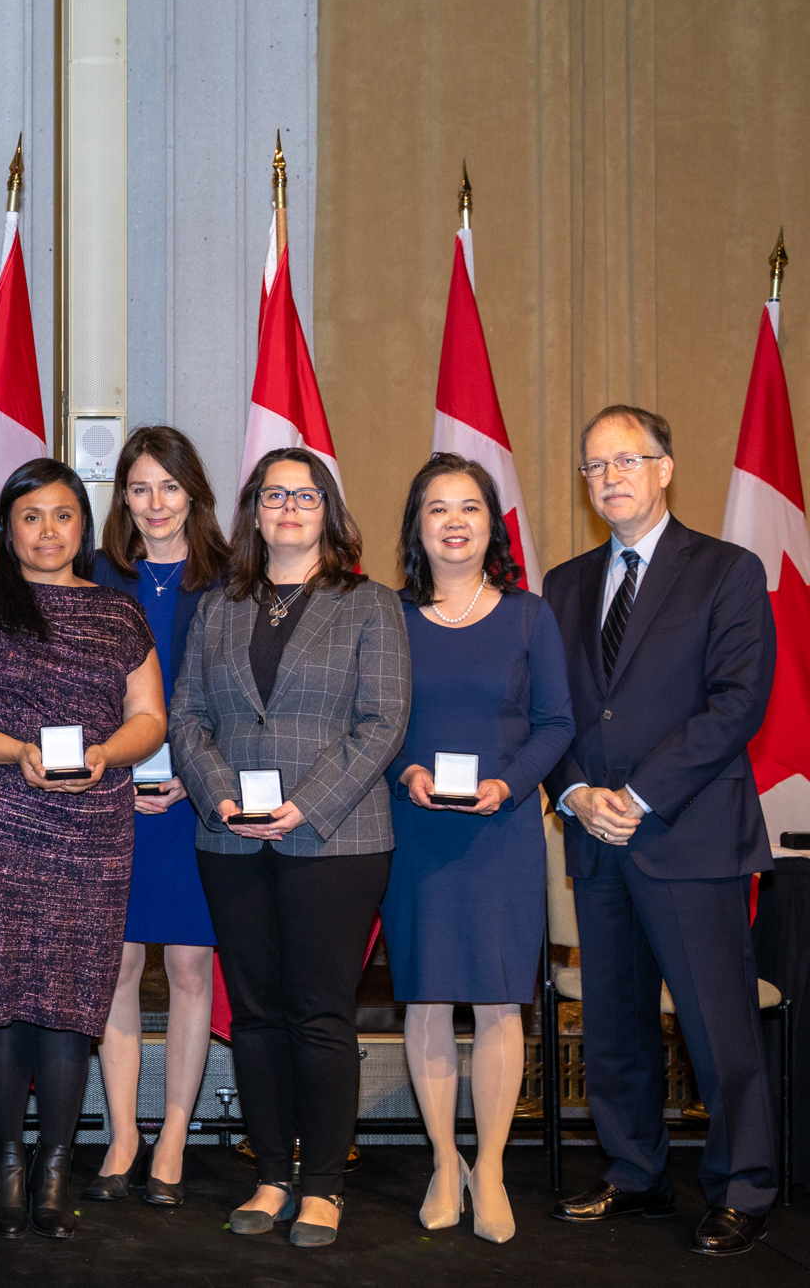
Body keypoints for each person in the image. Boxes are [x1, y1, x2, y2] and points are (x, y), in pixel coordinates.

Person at [542, 406, 778, 1256]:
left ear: (665, 468)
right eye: (595, 465)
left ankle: (743, 1185)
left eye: (627, 460)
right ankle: (636, 1170)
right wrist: (575, 793)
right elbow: (551, 711)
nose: (610, 477)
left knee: (717, 1024)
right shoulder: (564, 585)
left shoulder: (727, 570)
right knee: (614, 1024)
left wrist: (638, 794)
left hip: (689, 834)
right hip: (596, 837)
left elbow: (737, 703)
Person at [167, 447, 410, 1248]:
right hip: (231, 836)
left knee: (319, 1012)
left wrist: (306, 804)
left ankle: (324, 1184)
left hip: (336, 839)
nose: (290, 508)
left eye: (306, 495)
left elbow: (383, 722)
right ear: (254, 513)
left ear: (328, 510)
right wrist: (218, 794)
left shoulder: (370, 604)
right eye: (275, 496)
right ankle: (271, 1174)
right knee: (257, 1013)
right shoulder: (219, 606)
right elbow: (186, 717)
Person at [0, 458, 165, 1241]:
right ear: (8, 528)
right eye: (31, 516)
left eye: (63, 515)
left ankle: (55, 1165)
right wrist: (15, 750)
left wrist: (108, 754)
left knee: (72, 998)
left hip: (94, 827)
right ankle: (8, 1161)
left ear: (83, 526)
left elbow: (151, 717)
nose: (48, 530)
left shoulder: (120, 614)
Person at [381, 453, 574, 1244]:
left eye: (469, 506)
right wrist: (404, 769)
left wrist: (511, 783)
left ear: (492, 524)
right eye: (437, 507)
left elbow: (557, 722)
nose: (454, 521)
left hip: (502, 831)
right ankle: (442, 1159)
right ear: (417, 527)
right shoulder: (386, 616)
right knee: (426, 998)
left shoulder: (530, 616)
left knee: (498, 1000)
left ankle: (489, 1165)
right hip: (417, 833)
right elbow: (369, 721)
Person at [85, 426, 228, 1207]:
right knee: (115, 966)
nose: (155, 502)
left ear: (193, 493)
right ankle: (122, 1134)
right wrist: (112, 766)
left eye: (169, 486)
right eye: (140, 487)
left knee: (189, 968)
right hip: (113, 796)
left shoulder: (231, 579)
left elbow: (244, 698)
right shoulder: (97, 575)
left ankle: (173, 1132)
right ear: (123, 497)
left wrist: (197, 777)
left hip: (195, 802)